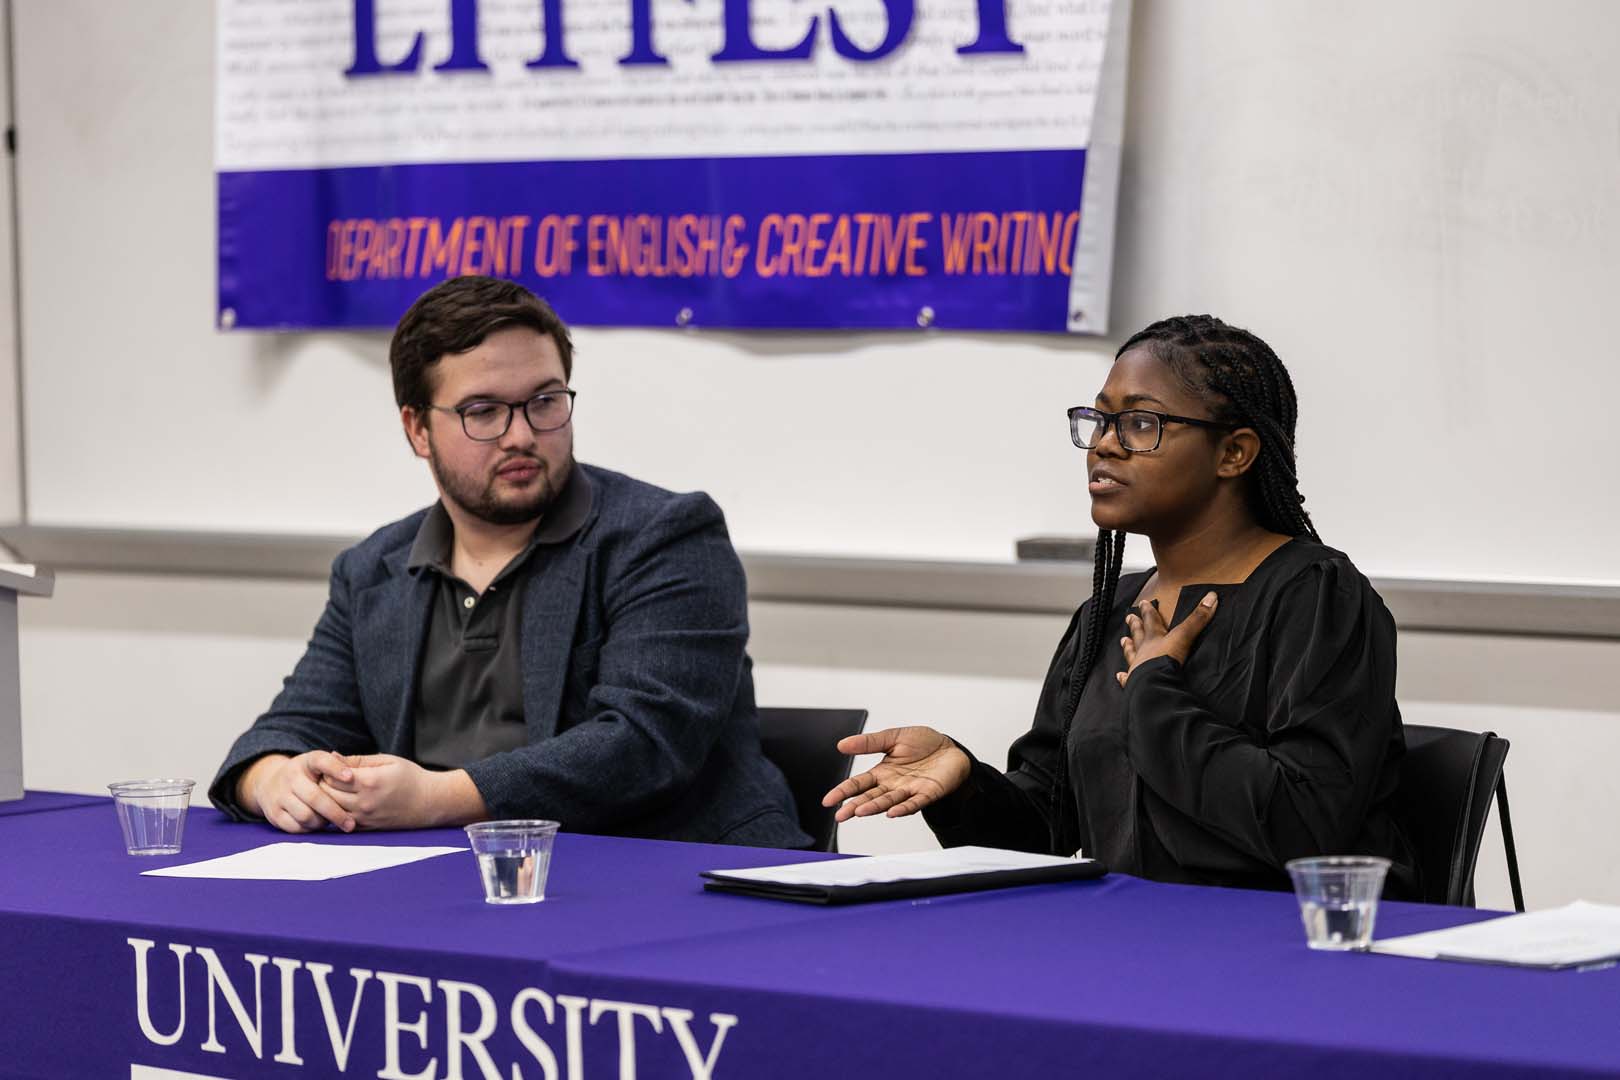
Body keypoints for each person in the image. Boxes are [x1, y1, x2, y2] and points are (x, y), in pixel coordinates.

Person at [825, 314, 1417, 895]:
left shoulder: (1315, 595)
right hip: (1127, 934)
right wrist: (965, 783)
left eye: (1140, 423)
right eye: (1100, 420)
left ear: (1234, 453)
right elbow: (1049, 829)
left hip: (1278, 940)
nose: (1105, 444)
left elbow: (1308, 825)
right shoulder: (1110, 612)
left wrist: (1155, 691)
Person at [209, 275, 809, 848]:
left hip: (669, 873)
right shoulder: (373, 570)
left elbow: (643, 745)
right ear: (418, 430)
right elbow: (295, 726)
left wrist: (435, 797)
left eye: (544, 401)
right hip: (453, 882)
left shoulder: (664, 537)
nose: (521, 434)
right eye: (483, 411)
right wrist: (272, 778)